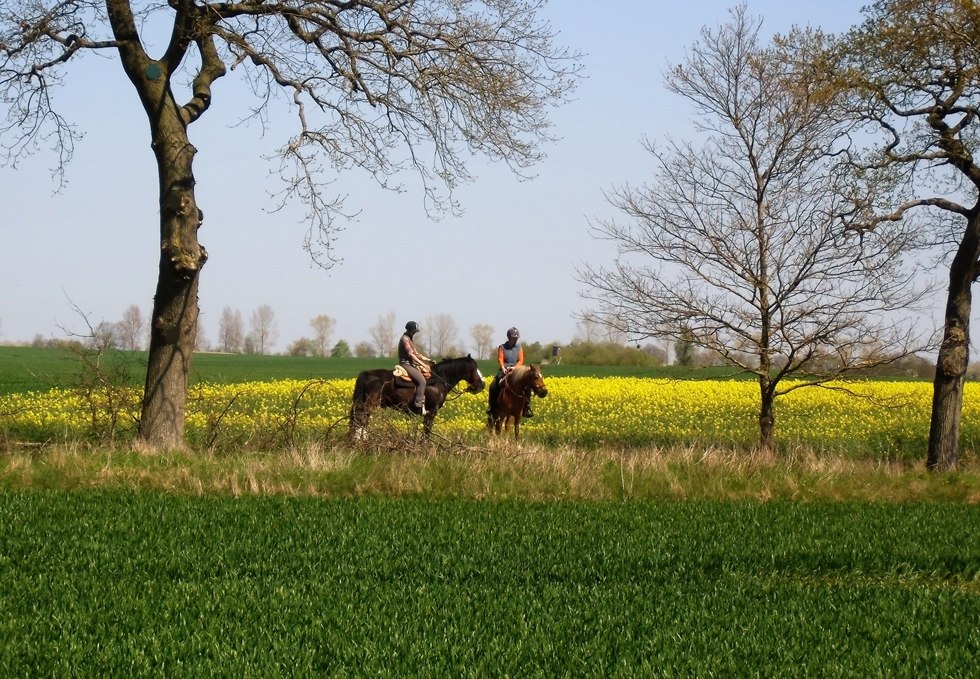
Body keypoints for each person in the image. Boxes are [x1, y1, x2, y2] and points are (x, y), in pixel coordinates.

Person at [487, 326, 533, 418]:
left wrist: (515, 368)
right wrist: (503, 368)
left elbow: (521, 360)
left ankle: (526, 407)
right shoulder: (502, 347)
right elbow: (500, 359)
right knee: (493, 385)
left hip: (516, 370)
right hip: (504, 369)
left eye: (516, 338)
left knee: (527, 386)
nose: (515, 339)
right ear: (509, 337)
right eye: (513, 338)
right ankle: (492, 407)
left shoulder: (519, 347)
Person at [398, 320, 433, 415]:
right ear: (409, 330)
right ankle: (417, 406)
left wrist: (429, 360)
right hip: (406, 364)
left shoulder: (410, 339)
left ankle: (424, 403)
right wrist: (423, 364)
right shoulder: (404, 339)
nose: (414, 333)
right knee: (422, 382)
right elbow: (411, 355)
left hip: (412, 364)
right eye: (413, 331)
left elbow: (417, 354)